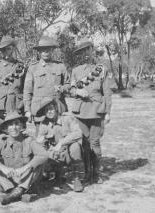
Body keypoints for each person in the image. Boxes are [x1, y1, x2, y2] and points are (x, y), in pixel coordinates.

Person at [0, 111, 48, 205]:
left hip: (25, 178)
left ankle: (18, 191)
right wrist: (2, 168)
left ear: (22, 126)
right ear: (5, 129)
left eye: (17, 124)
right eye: (10, 125)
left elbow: (44, 154)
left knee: (38, 163)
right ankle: (15, 192)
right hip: (8, 179)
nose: (14, 127)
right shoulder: (1, 141)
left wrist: (25, 167)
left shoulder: (29, 140)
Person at [69, 39, 113, 184]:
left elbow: (107, 92)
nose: (85, 54)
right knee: (84, 143)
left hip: (96, 111)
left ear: (92, 50)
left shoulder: (101, 69)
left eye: (87, 50)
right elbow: (71, 90)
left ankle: (97, 173)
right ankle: (88, 173)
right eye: (82, 52)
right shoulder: (75, 71)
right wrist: (78, 91)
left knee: (95, 142)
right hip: (80, 111)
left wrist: (108, 112)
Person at [23, 36, 70, 135]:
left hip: (57, 109)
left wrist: (62, 88)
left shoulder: (60, 66)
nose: (45, 52)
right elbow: (27, 90)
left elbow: (68, 84)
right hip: (39, 110)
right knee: (41, 140)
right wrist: (27, 110)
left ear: (52, 50)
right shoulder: (33, 68)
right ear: (39, 52)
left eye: (48, 49)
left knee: (60, 138)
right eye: (42, 50)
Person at [35, 97, 84, 192]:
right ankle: (56, 175)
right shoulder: (44, 124)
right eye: (46, 111)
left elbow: (78, 133)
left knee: (75, 147)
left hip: (69, 151)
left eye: (50, 109)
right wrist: (41, 141)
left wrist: (61, 142)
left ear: (56, 108)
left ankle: (76, 178)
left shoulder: (67, 118)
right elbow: (40, 141)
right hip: (57, 153)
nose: (49, 112)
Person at [0, 37, 26, 120]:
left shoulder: (20, 66)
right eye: (3, 50)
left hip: (17, 105)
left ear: (12, 49)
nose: (5, 52)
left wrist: (22, 104)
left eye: (8, 49)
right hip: (1, 106)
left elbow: (26, 89)